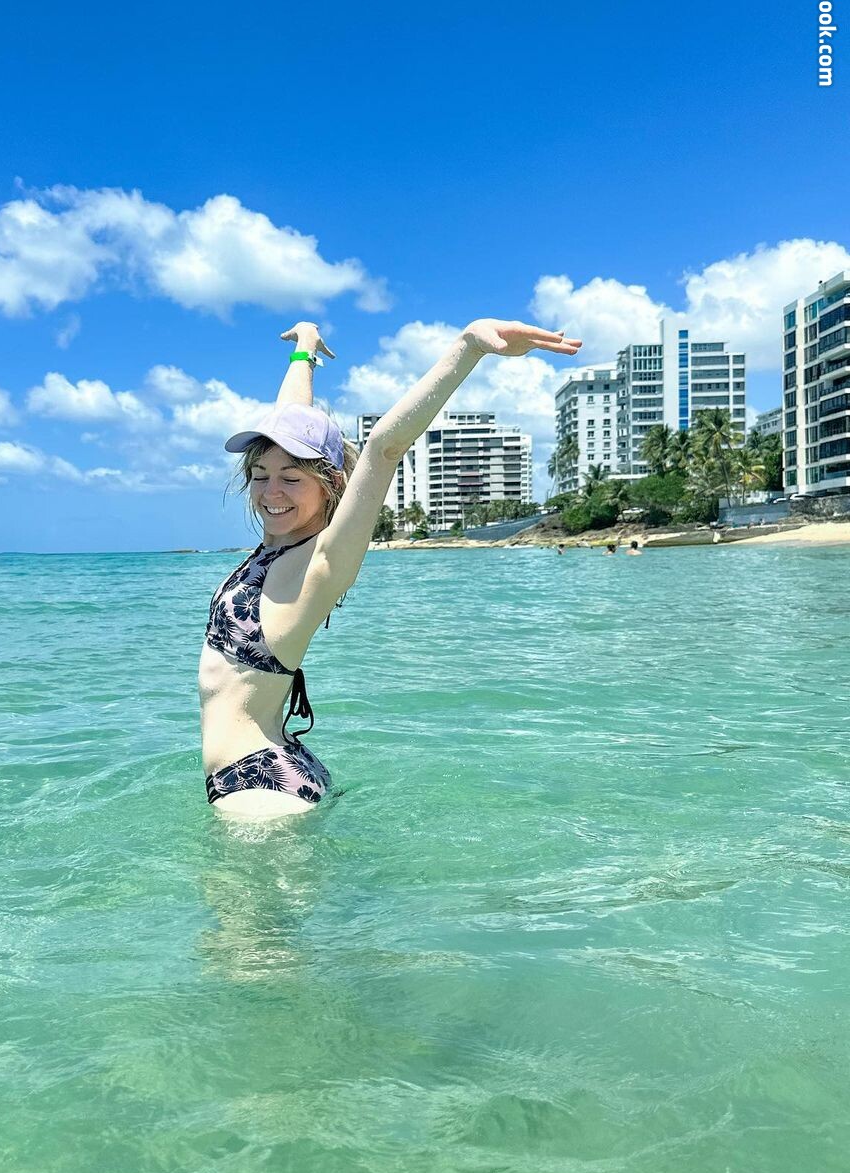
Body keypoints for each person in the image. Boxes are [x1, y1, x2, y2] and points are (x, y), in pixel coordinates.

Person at [198, 316, 583, 818]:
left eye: (291, 479)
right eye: (260, 474)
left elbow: (383, 447)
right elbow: (292, 417)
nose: (272, 491)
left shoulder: (320, 564)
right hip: (270, 764)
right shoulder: (275, 548)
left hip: (258, 790)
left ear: (330, 484)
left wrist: (467, 348)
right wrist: (305, 351)